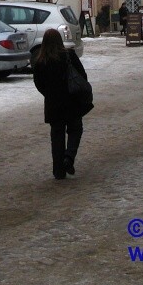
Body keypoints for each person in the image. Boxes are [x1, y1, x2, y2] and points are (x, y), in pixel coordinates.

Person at [32, 28, 94, 179]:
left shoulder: (41, 61)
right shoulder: (69, 55)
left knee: (57, 136)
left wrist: (49, 94)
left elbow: (38, 83)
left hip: (54, 104)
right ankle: (69, 157)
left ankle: (58, 170)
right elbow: (82, 75)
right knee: (75, 130)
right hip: (72, 100)